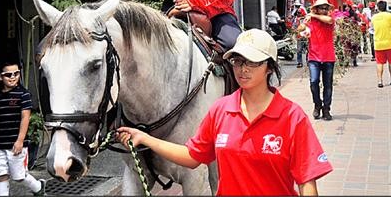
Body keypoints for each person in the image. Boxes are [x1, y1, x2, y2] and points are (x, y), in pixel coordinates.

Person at [116, 29, 333, 196]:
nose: (242, 68)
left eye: (252, 61)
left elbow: (307, 181)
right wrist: (145, 138)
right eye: (237, 61)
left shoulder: (292, 117)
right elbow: (192, 157)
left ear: (269, 67)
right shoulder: (221, 110)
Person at [0, 60, 46, 196]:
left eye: (16, 73)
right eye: (8, 74)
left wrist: (20, 141)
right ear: (0, 77)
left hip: (16, 144)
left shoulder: (23, 95)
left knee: (19, 176)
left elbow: (25, 118)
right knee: (1, 175)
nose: (13, 77)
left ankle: (38, 187)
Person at [297, 0, 336, 121]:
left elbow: (329, 20)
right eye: (321, 8)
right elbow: (300, 30)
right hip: (314, 57)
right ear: (317, 9)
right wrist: (303, 24)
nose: (324, 10)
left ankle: (326, 109)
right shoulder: (310, 21)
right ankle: (317, 104)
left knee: (327, 84)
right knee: (314, 82)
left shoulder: (329, 20)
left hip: (328, 57)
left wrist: (313, 15)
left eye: (325, 8)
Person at [371, 1, 391, 88]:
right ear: (386, 7)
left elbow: (372, 28)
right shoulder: (390, 16)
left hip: (378, 43)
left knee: (379, 63)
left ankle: (380, 81)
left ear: (378, 7)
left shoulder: (374, 17)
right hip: (390, 43)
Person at [291, 0, 308, 68]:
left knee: (308, 50)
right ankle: (300, 62)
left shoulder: (307, 19)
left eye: (300, 13)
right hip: (299, 36)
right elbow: (294, 27)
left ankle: (308, 61)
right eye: (298, 13)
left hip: (306, 36)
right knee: (299, 50)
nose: (299, 14)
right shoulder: (296, 20)